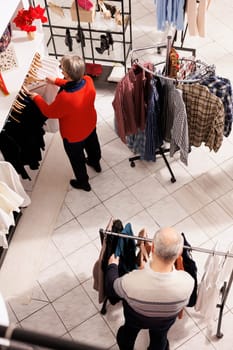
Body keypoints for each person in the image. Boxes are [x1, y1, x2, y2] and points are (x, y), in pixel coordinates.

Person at [105, 226, 194, 350]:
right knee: (159, 340)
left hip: (134, 319)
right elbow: (186, 302)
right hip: (164, 323)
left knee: (127, 335)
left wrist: (112, 266)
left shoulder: (132, 280)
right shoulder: (187, 282)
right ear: (179, 253)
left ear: (152, 248)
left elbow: (111, 287)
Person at [26, 54, 101, 192]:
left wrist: (36, 97)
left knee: (77, 160)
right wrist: (57, 81)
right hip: (90, 124)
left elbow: (49, 112)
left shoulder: (65, 98)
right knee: (93, 145)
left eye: (61, 68)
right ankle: (95, 162)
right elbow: (75, 83)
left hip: (73, 136)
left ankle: (83, 182)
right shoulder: (88, 80)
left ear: (66, 73)